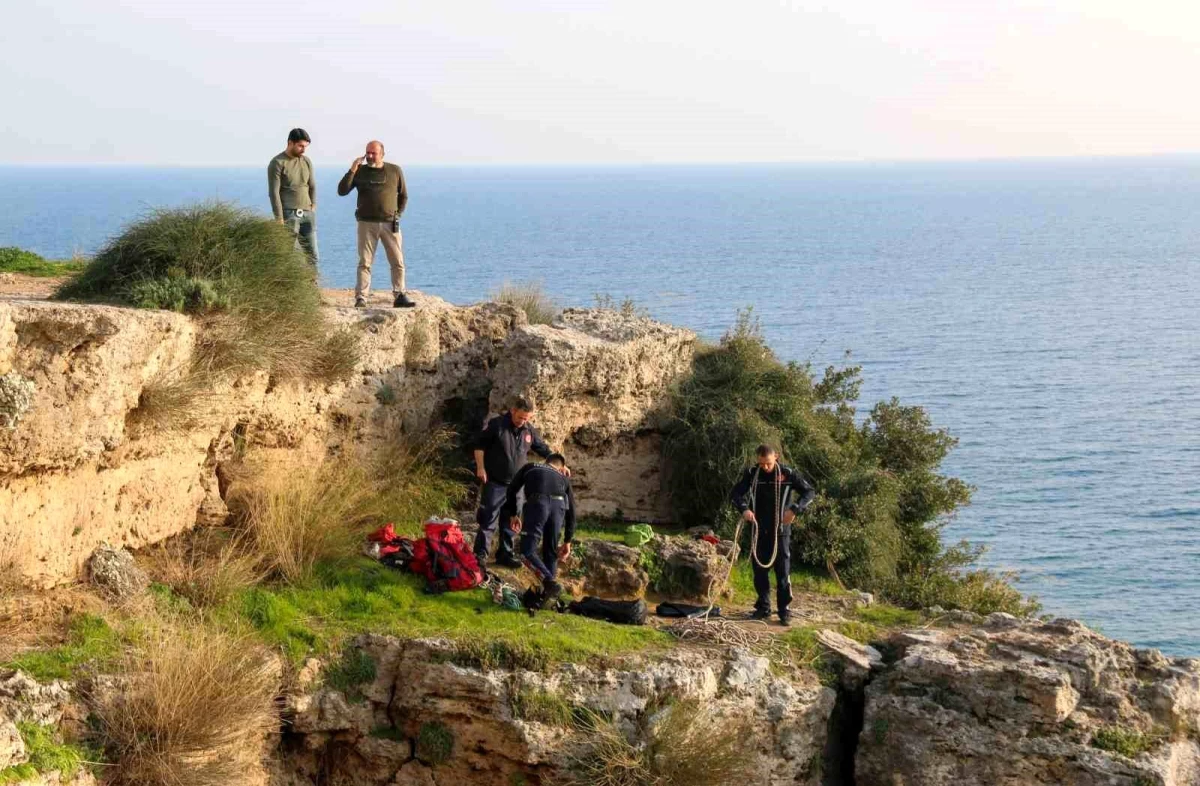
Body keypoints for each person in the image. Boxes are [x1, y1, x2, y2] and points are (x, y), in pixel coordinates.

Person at [471, 397, 563, 568]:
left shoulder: (528, 430)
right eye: (521, 417)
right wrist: (481, 468)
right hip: (495, 482)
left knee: (511, 522)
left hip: (517, 486)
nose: (523, 421)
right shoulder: (497, 425)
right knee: (488, 519)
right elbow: (479, 446)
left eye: (527, 418)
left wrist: (560, 465)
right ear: (513, 410)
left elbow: (543, 449)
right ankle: (480, 554)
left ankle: (505, 554)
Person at [730, 444, 816, 626]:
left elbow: (809, 492)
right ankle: (763, 607)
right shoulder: (753, 473)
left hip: (781, 530)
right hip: (759, 529)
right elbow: (736, 493)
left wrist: (794, 509)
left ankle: (784, 610)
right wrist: (744, 510)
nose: (765, 467)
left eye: (768, 463)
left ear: (775, 457)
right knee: (759, 570)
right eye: (761, 464)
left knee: (782, 570)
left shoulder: (788, 473)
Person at [336, 140, 413, 309]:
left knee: (397, 261)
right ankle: (361, 298)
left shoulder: (394, 170)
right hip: (366, 223)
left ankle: (399, 294)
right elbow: (342, 190)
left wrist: (397, 214)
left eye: (374, 153)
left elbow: (404, 195)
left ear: (382, 154)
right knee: (365, 262)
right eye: (368, 152)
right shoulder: (360, 171)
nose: (370, 156)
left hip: (390, 223)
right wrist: (352, 169)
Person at [503, 452, 576, 598]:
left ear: (546, 462)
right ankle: (550, 596)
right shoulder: (564, 479)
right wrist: (568, 541)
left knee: (527, 551)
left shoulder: (531, 467)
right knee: (550, 552)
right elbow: (572, 512)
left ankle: (550, 582)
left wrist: (514, 514)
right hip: (559, 506)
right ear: (561, 468)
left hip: (538, 503)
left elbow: (512, 489)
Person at [267, 128, 318, 265]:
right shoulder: (277, 163)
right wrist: (279, 218)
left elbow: (312, 185)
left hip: (308, 214)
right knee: (288, 255)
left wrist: (313, 205)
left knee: (313, 255)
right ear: (290, 143)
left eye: (305, 147)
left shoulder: (306, 161)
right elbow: (274, 193)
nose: (303, 150)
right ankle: (287, 285)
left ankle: (312, 285)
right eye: (300, 146)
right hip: (289, 214)